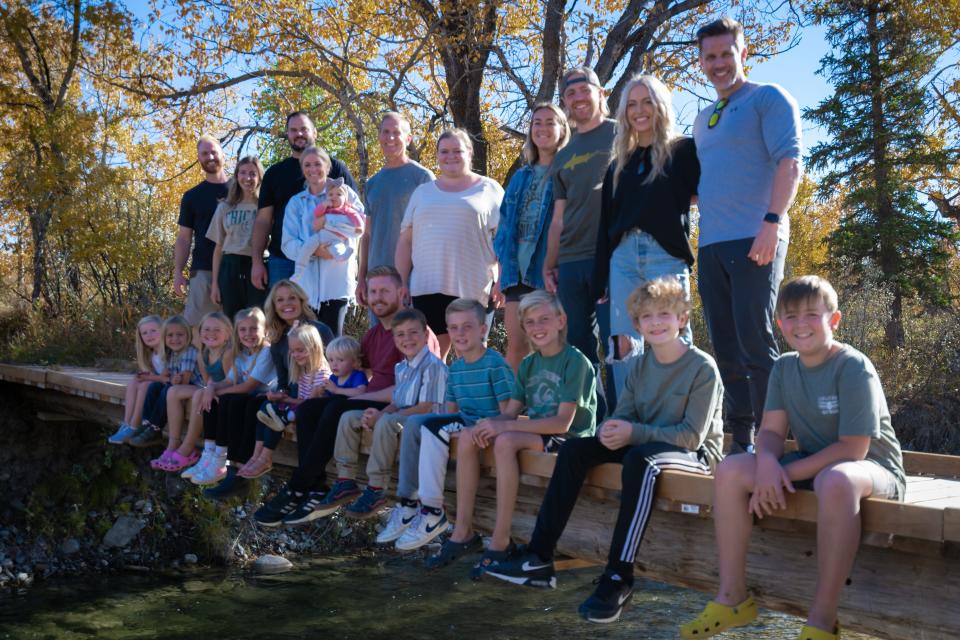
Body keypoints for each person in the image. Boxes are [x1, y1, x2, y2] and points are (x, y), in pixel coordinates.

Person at [486, 278, 723, 625]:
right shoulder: (640, 366)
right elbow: (624, 413)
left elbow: (691, 437)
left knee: (640, 461)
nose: (655, 323)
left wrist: (632, 432)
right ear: (638, 325)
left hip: (693, 455)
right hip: (644, 443)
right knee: (576, 451)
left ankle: (618, 576)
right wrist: (612, 430)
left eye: (664, 315)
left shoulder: (702, 368)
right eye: (646, 317)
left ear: (682, 319)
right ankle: (538, 556)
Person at [680, 276, 905, 640]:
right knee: (733, 468)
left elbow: (853, 449)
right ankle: (732, 598)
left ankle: (821, 620)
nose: (801, 325)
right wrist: (767, 463)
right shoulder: (785, 367)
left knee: (835, 480)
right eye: (791, 317)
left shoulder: (853, 367)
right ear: (780, 325)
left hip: (873, 470)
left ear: (833, 320)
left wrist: (780, 475)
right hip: (814, 462)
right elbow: (769, 432)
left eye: (811, 315)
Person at [253, 265, 439, 527]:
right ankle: (315, 487)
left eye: (385, 291)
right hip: (370, 399)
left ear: (401, 293)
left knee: (336, 408)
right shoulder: (374, 334)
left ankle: (298, 485)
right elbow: (357, 373)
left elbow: (414, 389)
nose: (378, 297)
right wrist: (325, 386)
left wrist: (353, 399)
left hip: (398, 406)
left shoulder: (412, 334)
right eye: (373, 291)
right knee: (309, 409)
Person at [693, 17, 803, 453]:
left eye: (725, 53)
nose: (718, 63)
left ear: (743, 53)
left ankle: (773, 441)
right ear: (700, 62)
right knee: (724, 343)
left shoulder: (768, 98)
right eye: (710, 57)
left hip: (756, 235)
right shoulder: (705, 118)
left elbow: (790, 163)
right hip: (711, 245)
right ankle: (742, 439)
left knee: (755, 341)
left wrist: (772, 222)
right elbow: (706, 186)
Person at [469, 289, 597, 578]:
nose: (537, 328)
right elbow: (510, 412)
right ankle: (487, 536)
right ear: (523, 327)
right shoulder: (528, 364)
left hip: (573, 442)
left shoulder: (574, 361)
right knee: (488, 434)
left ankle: (500, 539)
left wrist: (504, 427)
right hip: (538, 434)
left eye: (544, 320)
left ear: (561, 321)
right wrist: (485, 425)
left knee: (505, 440)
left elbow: (563, 423)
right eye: (530, 322)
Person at [378, 298, 514, 554]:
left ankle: (432, 511)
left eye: (467, 327)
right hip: (465, 424)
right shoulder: (457, 368)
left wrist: (483, 427)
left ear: (483, 329)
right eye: (453, 328)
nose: (459, 334)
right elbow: (451, 413)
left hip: (490, 429)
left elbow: (510, 413)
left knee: (432, 427)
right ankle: (408, 502)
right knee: (418, 422)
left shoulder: (495, 364)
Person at [593, 74, 700, 396]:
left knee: (674, 334)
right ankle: (628, 418)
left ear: (661, 106)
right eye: (632, 104)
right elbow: (606, 225)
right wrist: (601, 279)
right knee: (623, 342)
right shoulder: (618, 165)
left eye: (647, 102)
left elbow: (706, 193)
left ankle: (681, 417)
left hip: (664, 255)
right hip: (622, 258)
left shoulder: (682, 151)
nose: (639, 111)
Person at [313, 308, 448, 521]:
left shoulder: (433, 367)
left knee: (386, 422)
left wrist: (384, 417)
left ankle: (376, 487)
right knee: (349, 417)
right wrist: (377, 412)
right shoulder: (402, 367)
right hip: (401, 415)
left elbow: (425, 407)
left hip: (423, 421)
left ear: (425, 335)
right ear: (394, 339)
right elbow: (397, 401)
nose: (407, 339)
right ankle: (345, 479)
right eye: (401, 335)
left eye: (413, 333)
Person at [543, 67, 616, 416]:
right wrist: (548, 263)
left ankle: (622, 420)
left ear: (602, 93)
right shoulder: (564, 154)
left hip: (612, 257)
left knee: (619, 345)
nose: (578, 98)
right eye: (570, 94)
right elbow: (559, 217)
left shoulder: (622, 134)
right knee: (579, 346)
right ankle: (595, 421)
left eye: (584, 90)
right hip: (570, 262)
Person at [396, 128, 503, 360]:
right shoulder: (422, 193)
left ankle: (470, 398)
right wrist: (402, 281)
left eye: (457, 150)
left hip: (473, 286)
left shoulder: (490, 189)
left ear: (470, 153)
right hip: (427, 286)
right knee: (431, 358)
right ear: (436, 155)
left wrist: (502, 280)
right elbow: (405, 240)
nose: (450, 156)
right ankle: (436, 399)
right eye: (444, 151)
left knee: (472, 357)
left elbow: (505, 240)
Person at [494, 103, 571, 371]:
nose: (542, 128)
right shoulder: (520, 177)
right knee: (516, 346)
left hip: (550, 274)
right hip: (516, 274)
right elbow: (504, 229)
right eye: (537, 122)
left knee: (553, 347)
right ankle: (512, 409)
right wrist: (500, 276)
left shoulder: (568, 172)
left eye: (550, 122)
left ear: (562, 130)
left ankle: (551, 409)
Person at [251, 111, 357, 288]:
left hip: (330, 259)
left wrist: (354, 261)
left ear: (314, 133)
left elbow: (356, 216)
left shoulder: (336, 169)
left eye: (303, 129)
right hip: (284, 262)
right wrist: (257, 262)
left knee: (325, 315)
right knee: (285, 315)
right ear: (288, 134)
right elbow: (263, 221)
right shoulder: (275, 173)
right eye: (293, 130)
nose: (298, 134)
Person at [175, 307, 276, 483]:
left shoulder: (266, 352)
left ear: (265, 330)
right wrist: (211, 389)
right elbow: (229, 381)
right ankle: (209, 454)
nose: (248, 334)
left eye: (254, 329)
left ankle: (221, 460)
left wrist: (214, 391)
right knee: (214, 398)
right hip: (249, 396)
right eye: (243, 330)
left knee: (226, 399)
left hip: (262, 397)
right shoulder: (242, 352)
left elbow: (247, 386)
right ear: (237, 332)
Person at [283, 146, 364, 336]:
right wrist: (314, 250)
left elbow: (358, 227)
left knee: (332, 346)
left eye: (318, 164)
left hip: (337, 285)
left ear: (327, 166)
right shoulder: (297, 202)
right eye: (307, 165)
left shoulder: (346, 194)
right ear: (302, 169)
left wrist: (328, 222)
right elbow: (287, 244)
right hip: (305, 291)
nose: (313, 169)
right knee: (306, 348)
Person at [357, 112, 435, 310]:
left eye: (396, 132)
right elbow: (366, 236)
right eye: (385, 132)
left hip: (412, 279)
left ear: (408, 139)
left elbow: (433, 232)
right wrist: (361, 278)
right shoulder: (372, 183)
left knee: (410, 339)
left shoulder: (422, 177)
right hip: (377, 281)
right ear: (379, 136)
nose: (390, 138)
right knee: (380, 339)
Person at [150, 312, 234, 472]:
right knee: (172, 392)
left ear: (228, 333)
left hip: (227, 391)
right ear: (199, 332)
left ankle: (188, 448)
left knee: (198, 394)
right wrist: (209, 387)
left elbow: (232, 381)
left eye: (217, 330)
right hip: (210, 388)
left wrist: (210, 389)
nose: (211, 334)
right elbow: (206, 380)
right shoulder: (202, 355)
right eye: (206, 329)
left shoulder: (227, 353)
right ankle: (173, 443)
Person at [175, 135, 228, 326]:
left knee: (238, 331)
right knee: (198, 332)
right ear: (199, 158)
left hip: (236, 268)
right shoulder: (192, 196)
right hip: (202, 271)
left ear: (223, 154)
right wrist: (178, 271)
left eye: (214, 151)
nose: (210, 156)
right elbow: (183, 239)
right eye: (205, 153)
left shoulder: (241, 191)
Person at [207, 156, 268, 319]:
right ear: (236, 176)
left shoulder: (265, 207)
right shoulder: (225, 207)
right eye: (243, 173)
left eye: (252, 174)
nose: (247, 178)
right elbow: (218, 248)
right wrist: (215, 284)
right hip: (229, 267)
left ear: (260, 177)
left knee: (257, 319)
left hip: (256, 266)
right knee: (232, 320)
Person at [127, 316, 201, 447]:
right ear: (164, 338)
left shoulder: (189, 351)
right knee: (155, 386)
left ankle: (155, 428)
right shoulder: (172, 353)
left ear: (188, 335)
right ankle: (147, 424)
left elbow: (185, 379)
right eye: (170, 335)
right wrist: (160, 378)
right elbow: (167, 376)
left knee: (167, 390)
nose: (175, 339)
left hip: (197, 386)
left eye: (180, 335)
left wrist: (174, 380)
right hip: (183, 386)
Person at [256, 323, 331, 433]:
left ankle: (283, 419)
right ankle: (280, 420)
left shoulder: (322, 373)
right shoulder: (302, 369)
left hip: (312, 411)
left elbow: (308, 404)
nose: (295, 355)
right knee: (266, 403)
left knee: (286, 410)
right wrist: (280, 396)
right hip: (302, 406)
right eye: (292, 351)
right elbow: (301, 398)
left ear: (314, 348)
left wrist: (285, 399)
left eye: (300, 350)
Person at [108, 315, 165, 444]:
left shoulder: (167, 352)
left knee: (146, 384)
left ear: (163, 330)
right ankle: (126, 423)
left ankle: (134, 425)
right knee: (134, 382)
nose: (149, 335)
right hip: (159, 383)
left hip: (168, 384)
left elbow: (167, 376)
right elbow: (154, 374)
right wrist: (144, 376)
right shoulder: (151, 354)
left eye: (153, 331)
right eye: (144, 333)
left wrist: (149, 378)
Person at [307, 178, 364, 262]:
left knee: (336, 246)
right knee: (309, 244)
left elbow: (356, 216)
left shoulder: (346, 209)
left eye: (339, 194)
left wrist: (359, 226)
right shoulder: (327, 208)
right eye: (330, 194)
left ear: (345, 198)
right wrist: (324, 205)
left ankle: (341, 256)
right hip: (323, 234)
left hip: (337, 237)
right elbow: (316, 213)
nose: (334, 197)